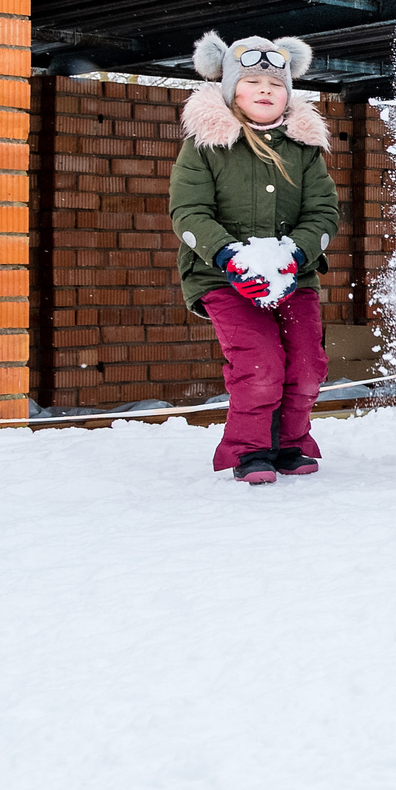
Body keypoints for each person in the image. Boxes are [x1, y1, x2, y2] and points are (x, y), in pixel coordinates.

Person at [168, 32, 341, 483]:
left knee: (306, 367)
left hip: (293, 276)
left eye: (276, 83)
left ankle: (291, 443)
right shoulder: (204, 146)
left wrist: (296, 254)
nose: (265, 89)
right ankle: (249, 449)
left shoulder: (303, 149)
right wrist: (228, 256)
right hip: (223, 277)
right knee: (260, 363)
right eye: (252, 81)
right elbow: (188, 211)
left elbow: (323, 211)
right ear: (229, 90)